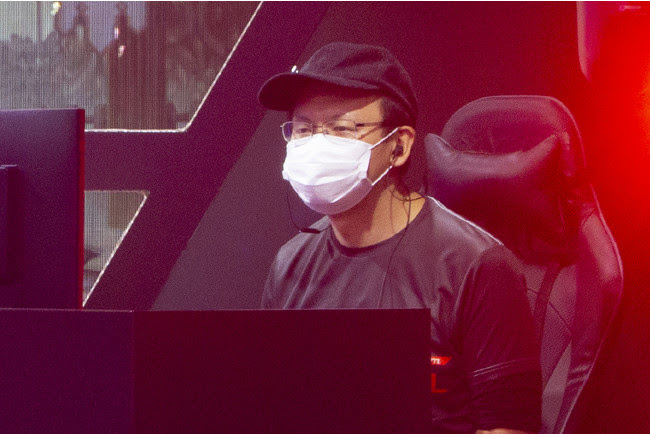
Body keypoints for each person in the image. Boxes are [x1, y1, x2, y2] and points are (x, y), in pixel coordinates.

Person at [258, 42, 542, 433]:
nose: (317, 145)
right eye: (304, 130)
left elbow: (507, 426)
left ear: (399, 145)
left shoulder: (477, 266)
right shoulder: (289, 265)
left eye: (341, 128)